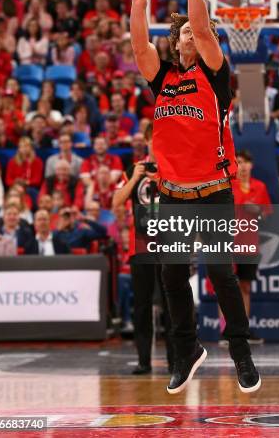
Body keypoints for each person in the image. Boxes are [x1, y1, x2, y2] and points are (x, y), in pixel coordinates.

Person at [124, 0, 260, 395]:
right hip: (173, 194)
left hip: (214, 190)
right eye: (184, 33)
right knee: (171, 274)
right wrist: (139, 1)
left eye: (199, 34)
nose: (195, 36)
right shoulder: (162, 78)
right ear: (175, 42)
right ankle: (186, 351)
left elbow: (203, 31)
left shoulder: (215, 74)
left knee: (221, 272)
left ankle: (240, 350)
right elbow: (139, 47)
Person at [113, 123, 173, 375]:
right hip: (141, 246)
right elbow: (116, 201)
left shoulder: (173, 166)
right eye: (151, 139)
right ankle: (143, 360)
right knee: (142, 305)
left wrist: (160, 178)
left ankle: (176, 361)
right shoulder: (132, 169)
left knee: (172, 304)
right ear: (147, 142)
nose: (154, 143)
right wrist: (136, 177)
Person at [231, 150, 271, 344]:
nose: (243, 166)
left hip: (249, 243)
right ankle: (227, 329)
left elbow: (267, 215)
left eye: (246, 162)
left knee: (245, 286)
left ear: (251, 165)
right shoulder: (228, 185)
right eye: (239, 162)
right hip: (228, 243)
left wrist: (258, 212)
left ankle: (243, 330)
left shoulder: (260, 187)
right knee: (227, 286)